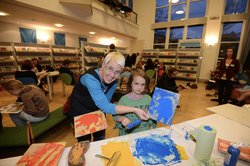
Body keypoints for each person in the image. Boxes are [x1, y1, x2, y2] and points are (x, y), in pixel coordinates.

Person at [68, 52, 149, 142]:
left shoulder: (114, 82)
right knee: (84, 142)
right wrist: (135, 109)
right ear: (103, 65)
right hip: (81, 111)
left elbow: (106, 101)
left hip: (97, 110)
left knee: (100, 139)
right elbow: (105, 106)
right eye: (110, 68)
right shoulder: (90, 78)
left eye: (117, 72)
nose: (112, 75)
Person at [113, 69, 156, 136]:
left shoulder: (148, 98)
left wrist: (151, 114)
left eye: (142, 84)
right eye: (136, 83)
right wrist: (122, 119)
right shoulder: (124, 100)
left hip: (144, 133)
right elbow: (116, 115)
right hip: (128, 135)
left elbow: (155, 115)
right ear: (130, 83)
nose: (139, 87)